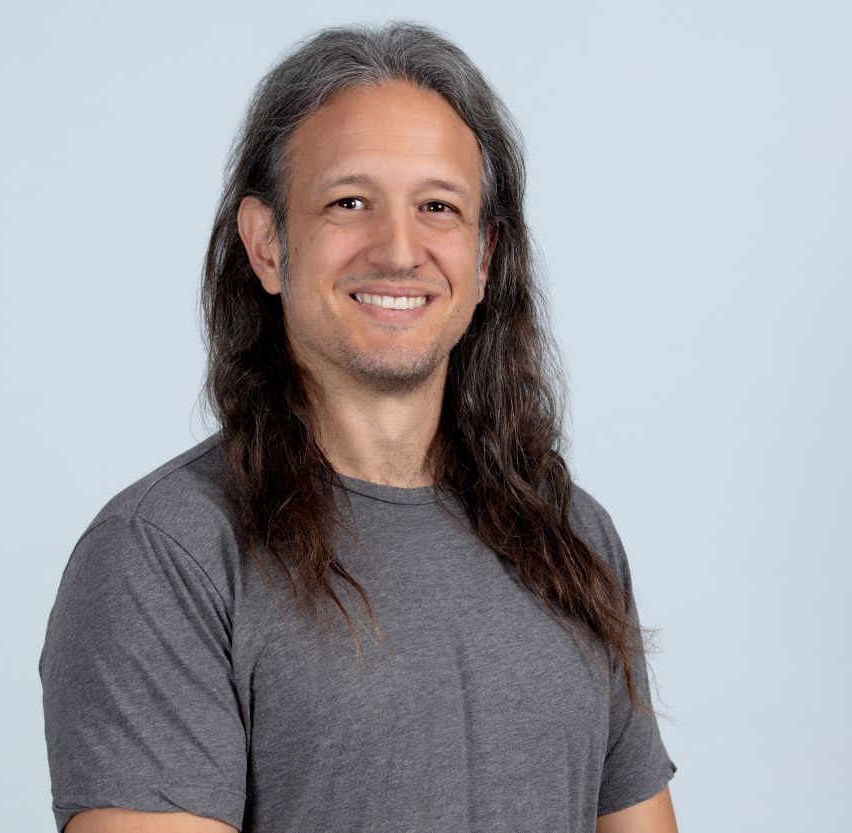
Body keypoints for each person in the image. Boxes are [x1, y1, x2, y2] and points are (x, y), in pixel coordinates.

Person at [40, 21, 678, 833]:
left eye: (438, 207)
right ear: (267, 245)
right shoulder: (164, 554)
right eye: (350, 202)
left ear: (485, 257)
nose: (399, 250)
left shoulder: (573, 538)